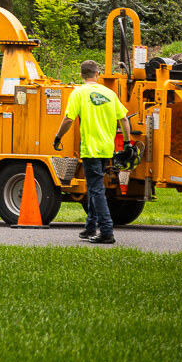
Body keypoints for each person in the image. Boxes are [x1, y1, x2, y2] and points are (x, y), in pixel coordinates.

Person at [54, 58, 132, 245]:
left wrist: (58, 137)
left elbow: (68, 119)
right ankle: (90, 227)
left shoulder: (79, 93)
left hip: (90, 149)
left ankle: (106, 231)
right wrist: (128, 143)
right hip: (107, 149)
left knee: (96, 189)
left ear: (82, 75)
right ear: (97, 74)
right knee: (96, 187)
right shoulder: (109, 93)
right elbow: (124, 119)